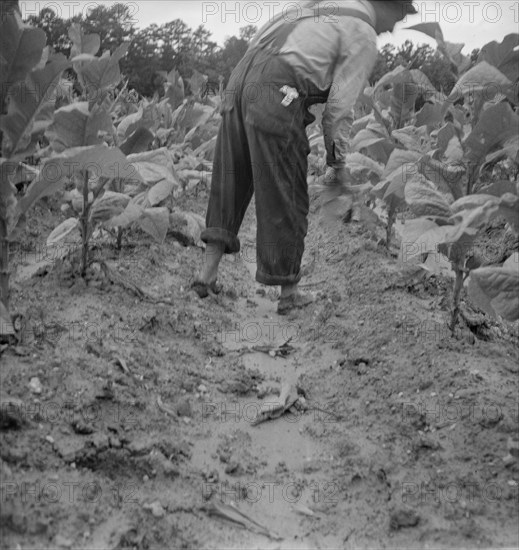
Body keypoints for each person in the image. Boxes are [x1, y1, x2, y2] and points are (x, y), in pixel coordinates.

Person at [192, 0, 418, 314]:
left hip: (239, 79)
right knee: (286, 189)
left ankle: (206, 274)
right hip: (277, 88)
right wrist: (337, 164)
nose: (395, 27)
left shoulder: (318, 5)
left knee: (231, 177)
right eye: (400, 15)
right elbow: (339, 109)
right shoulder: (363, 32)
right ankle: (289, 294)